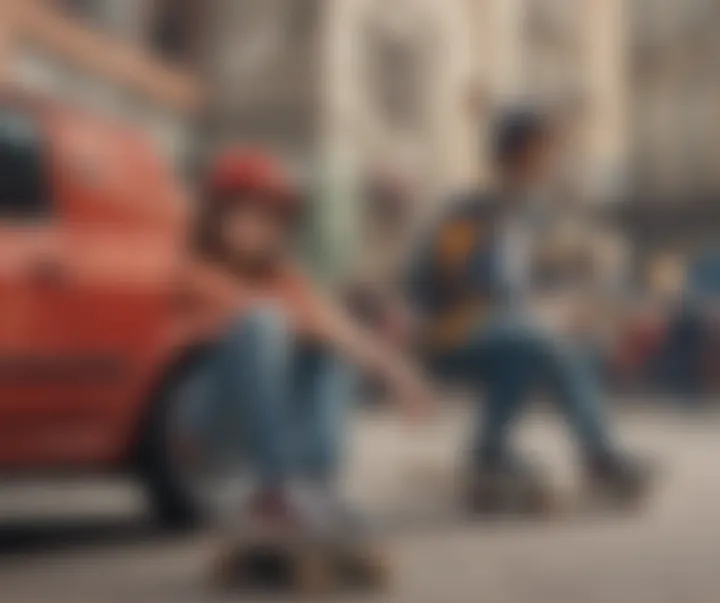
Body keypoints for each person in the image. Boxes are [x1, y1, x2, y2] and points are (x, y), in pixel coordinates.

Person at [408, 109, 653, 513]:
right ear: (517, 156)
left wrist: (563, 294)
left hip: (499, 333)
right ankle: (599, 458)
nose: (551, 162)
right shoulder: (471, 211)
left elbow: (519, 288)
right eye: (544, 152)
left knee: (540, 354)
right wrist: (527, 310)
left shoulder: (523, 215)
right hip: (448, 332)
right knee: (540, 341)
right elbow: (449, 280)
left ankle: (488, 454)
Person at [184, 148, 432, 534]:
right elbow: (250, 315)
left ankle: (316, 486)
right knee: (262, 324)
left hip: (258, 427)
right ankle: (277, 488)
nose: (260, 227)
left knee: (327, 349)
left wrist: (400, 374)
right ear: (217, 213)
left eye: (271, 217)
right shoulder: (194, 269)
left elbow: (337, 328)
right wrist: (319, 325)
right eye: (246, 213)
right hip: (202, 425)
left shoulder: (282, 276)